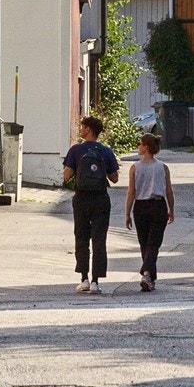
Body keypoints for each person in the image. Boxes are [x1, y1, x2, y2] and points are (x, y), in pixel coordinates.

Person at [62, 115, 119, 294]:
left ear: (88, 129)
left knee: (81, 238)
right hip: (101, 199)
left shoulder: (76, 150)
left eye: (82, 126)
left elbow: (66, 175)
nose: (81, 129)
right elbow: (114, 178)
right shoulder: (106, 151)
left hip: (81, 199)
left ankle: (84, 279)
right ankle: (96, 281)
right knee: (99, 240)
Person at [125, 132, 175, 291]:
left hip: (140, 207)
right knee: (153, 243)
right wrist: (171, 209)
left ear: (146, 147)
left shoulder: (135, 167)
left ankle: (148, 276)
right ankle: (148, 275)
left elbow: (131, 192)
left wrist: (127, 213)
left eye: (140, 144)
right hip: (158, 205)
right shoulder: (162, 167)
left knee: (145, 243)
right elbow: (168, 191)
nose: (138, 147)